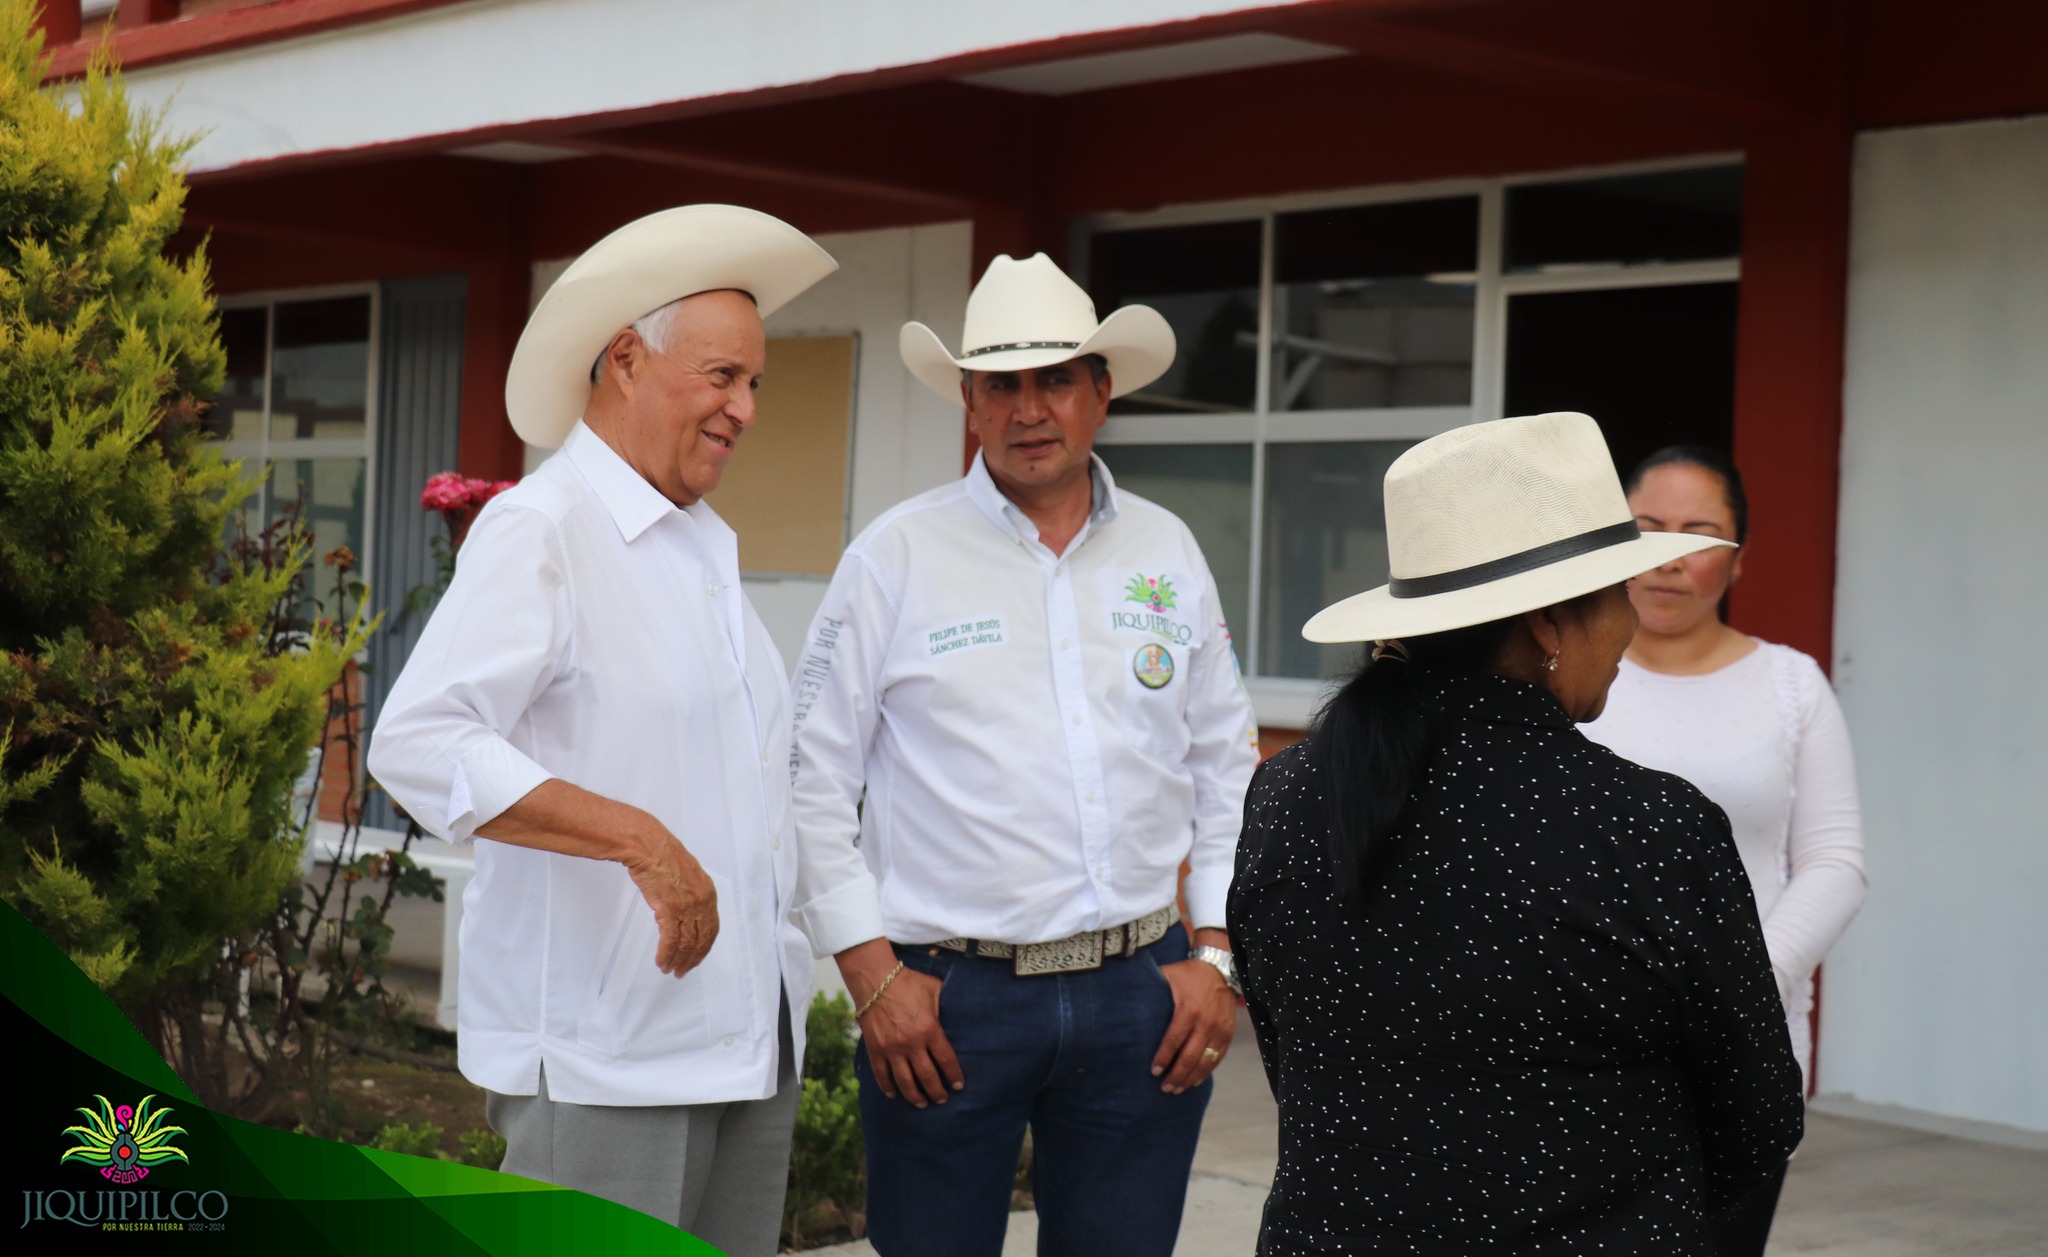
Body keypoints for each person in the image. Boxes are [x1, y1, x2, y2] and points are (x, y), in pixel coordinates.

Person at [367, 206, 837, 1252]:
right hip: (607, 1061)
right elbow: (421, 739)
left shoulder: (696, 544)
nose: (744, 408)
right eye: (722, 377)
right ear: (626, 358)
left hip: (740, 1043)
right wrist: (642, 842)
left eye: (753, 383)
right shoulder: (545, 525)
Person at [1228, 412, 1805, 1254]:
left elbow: (1292, 1054)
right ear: (1546, 623)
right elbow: (1757, 1118)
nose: (1627, 629)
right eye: (1616, 598)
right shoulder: (1651, 827)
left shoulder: (1285, 792)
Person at [787, 253, 1260, 1257]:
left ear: (1101, 392)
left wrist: (1215, 955)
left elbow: (1224, 761)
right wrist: (872, 974)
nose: (1027, 407)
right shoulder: (894, 555)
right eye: (1000, 383)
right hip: (946, 1005)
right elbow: (807, 776)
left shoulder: (1166, 549)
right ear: (967, 400)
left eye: (1054, 379)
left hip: (1143, 995)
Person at [1580, 445, 1867, 1255]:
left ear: (1741, 557)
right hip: (1581, 1039)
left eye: (1699, 533)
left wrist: (1741, 988)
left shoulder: (1791, 685)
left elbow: (1836, 861)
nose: (1670, 556)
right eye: (1648, 528)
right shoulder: (1561, 678)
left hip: (1741, 1050)